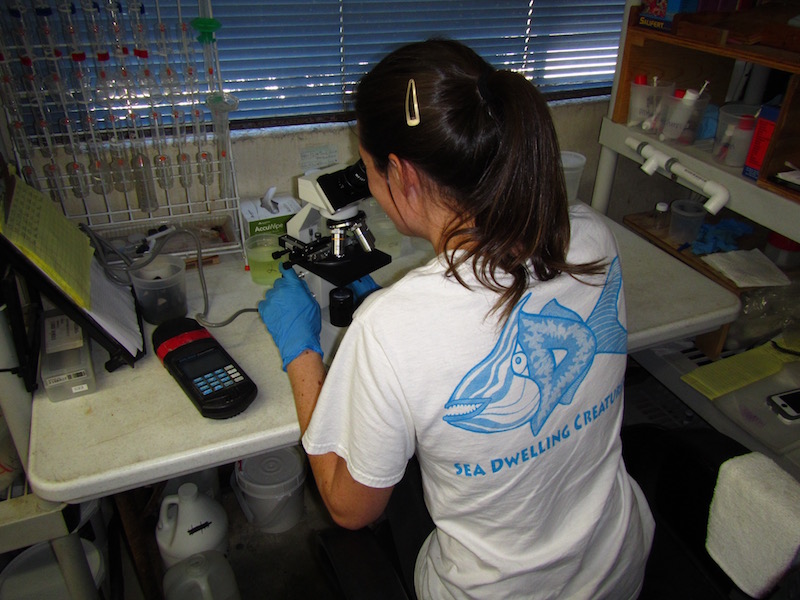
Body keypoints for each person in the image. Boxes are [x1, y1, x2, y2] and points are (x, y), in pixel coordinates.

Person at [259, 39, 654, 599]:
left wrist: (302, 354)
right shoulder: (590, 236)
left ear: (402, 175)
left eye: (369, 169)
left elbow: (349, 509)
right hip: (616, 564)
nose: (370, 184)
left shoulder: (389, 327)